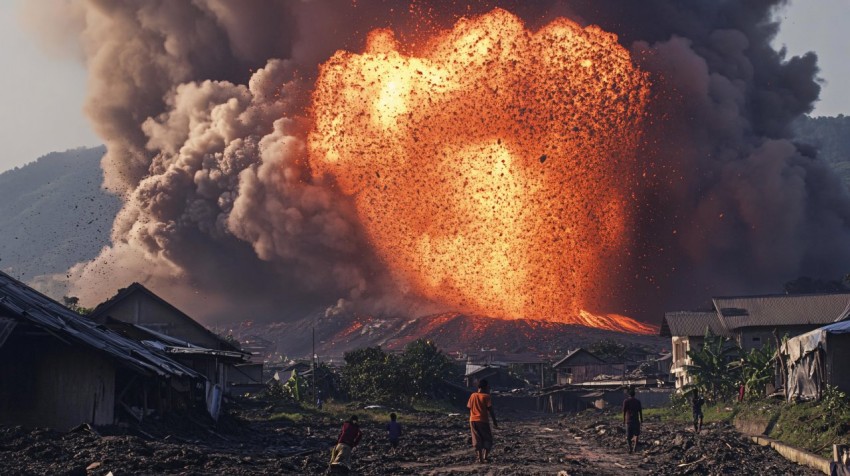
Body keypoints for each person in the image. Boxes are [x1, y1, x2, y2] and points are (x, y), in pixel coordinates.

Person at [467, 379, 498, 464]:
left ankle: (480, 458)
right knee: (488, 439)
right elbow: (490, 410)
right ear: (486, 387)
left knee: (477, 439)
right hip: (483, 420)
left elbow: (469, 407)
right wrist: (495, 421)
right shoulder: (486, 397)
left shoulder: (472, 395)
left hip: (472, 420)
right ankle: (485, 457)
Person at [622, 387, 643, 454]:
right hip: (636, 420)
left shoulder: (626, 401)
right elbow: (640, 411)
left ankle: (630, 448)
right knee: (636, 434)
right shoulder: (638, 401)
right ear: (634, 394)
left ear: (629, 395)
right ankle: (635, 447)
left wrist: (624, 420)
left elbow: (624, 411)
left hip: (629, 421)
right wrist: (641, 419)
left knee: (628, 436)